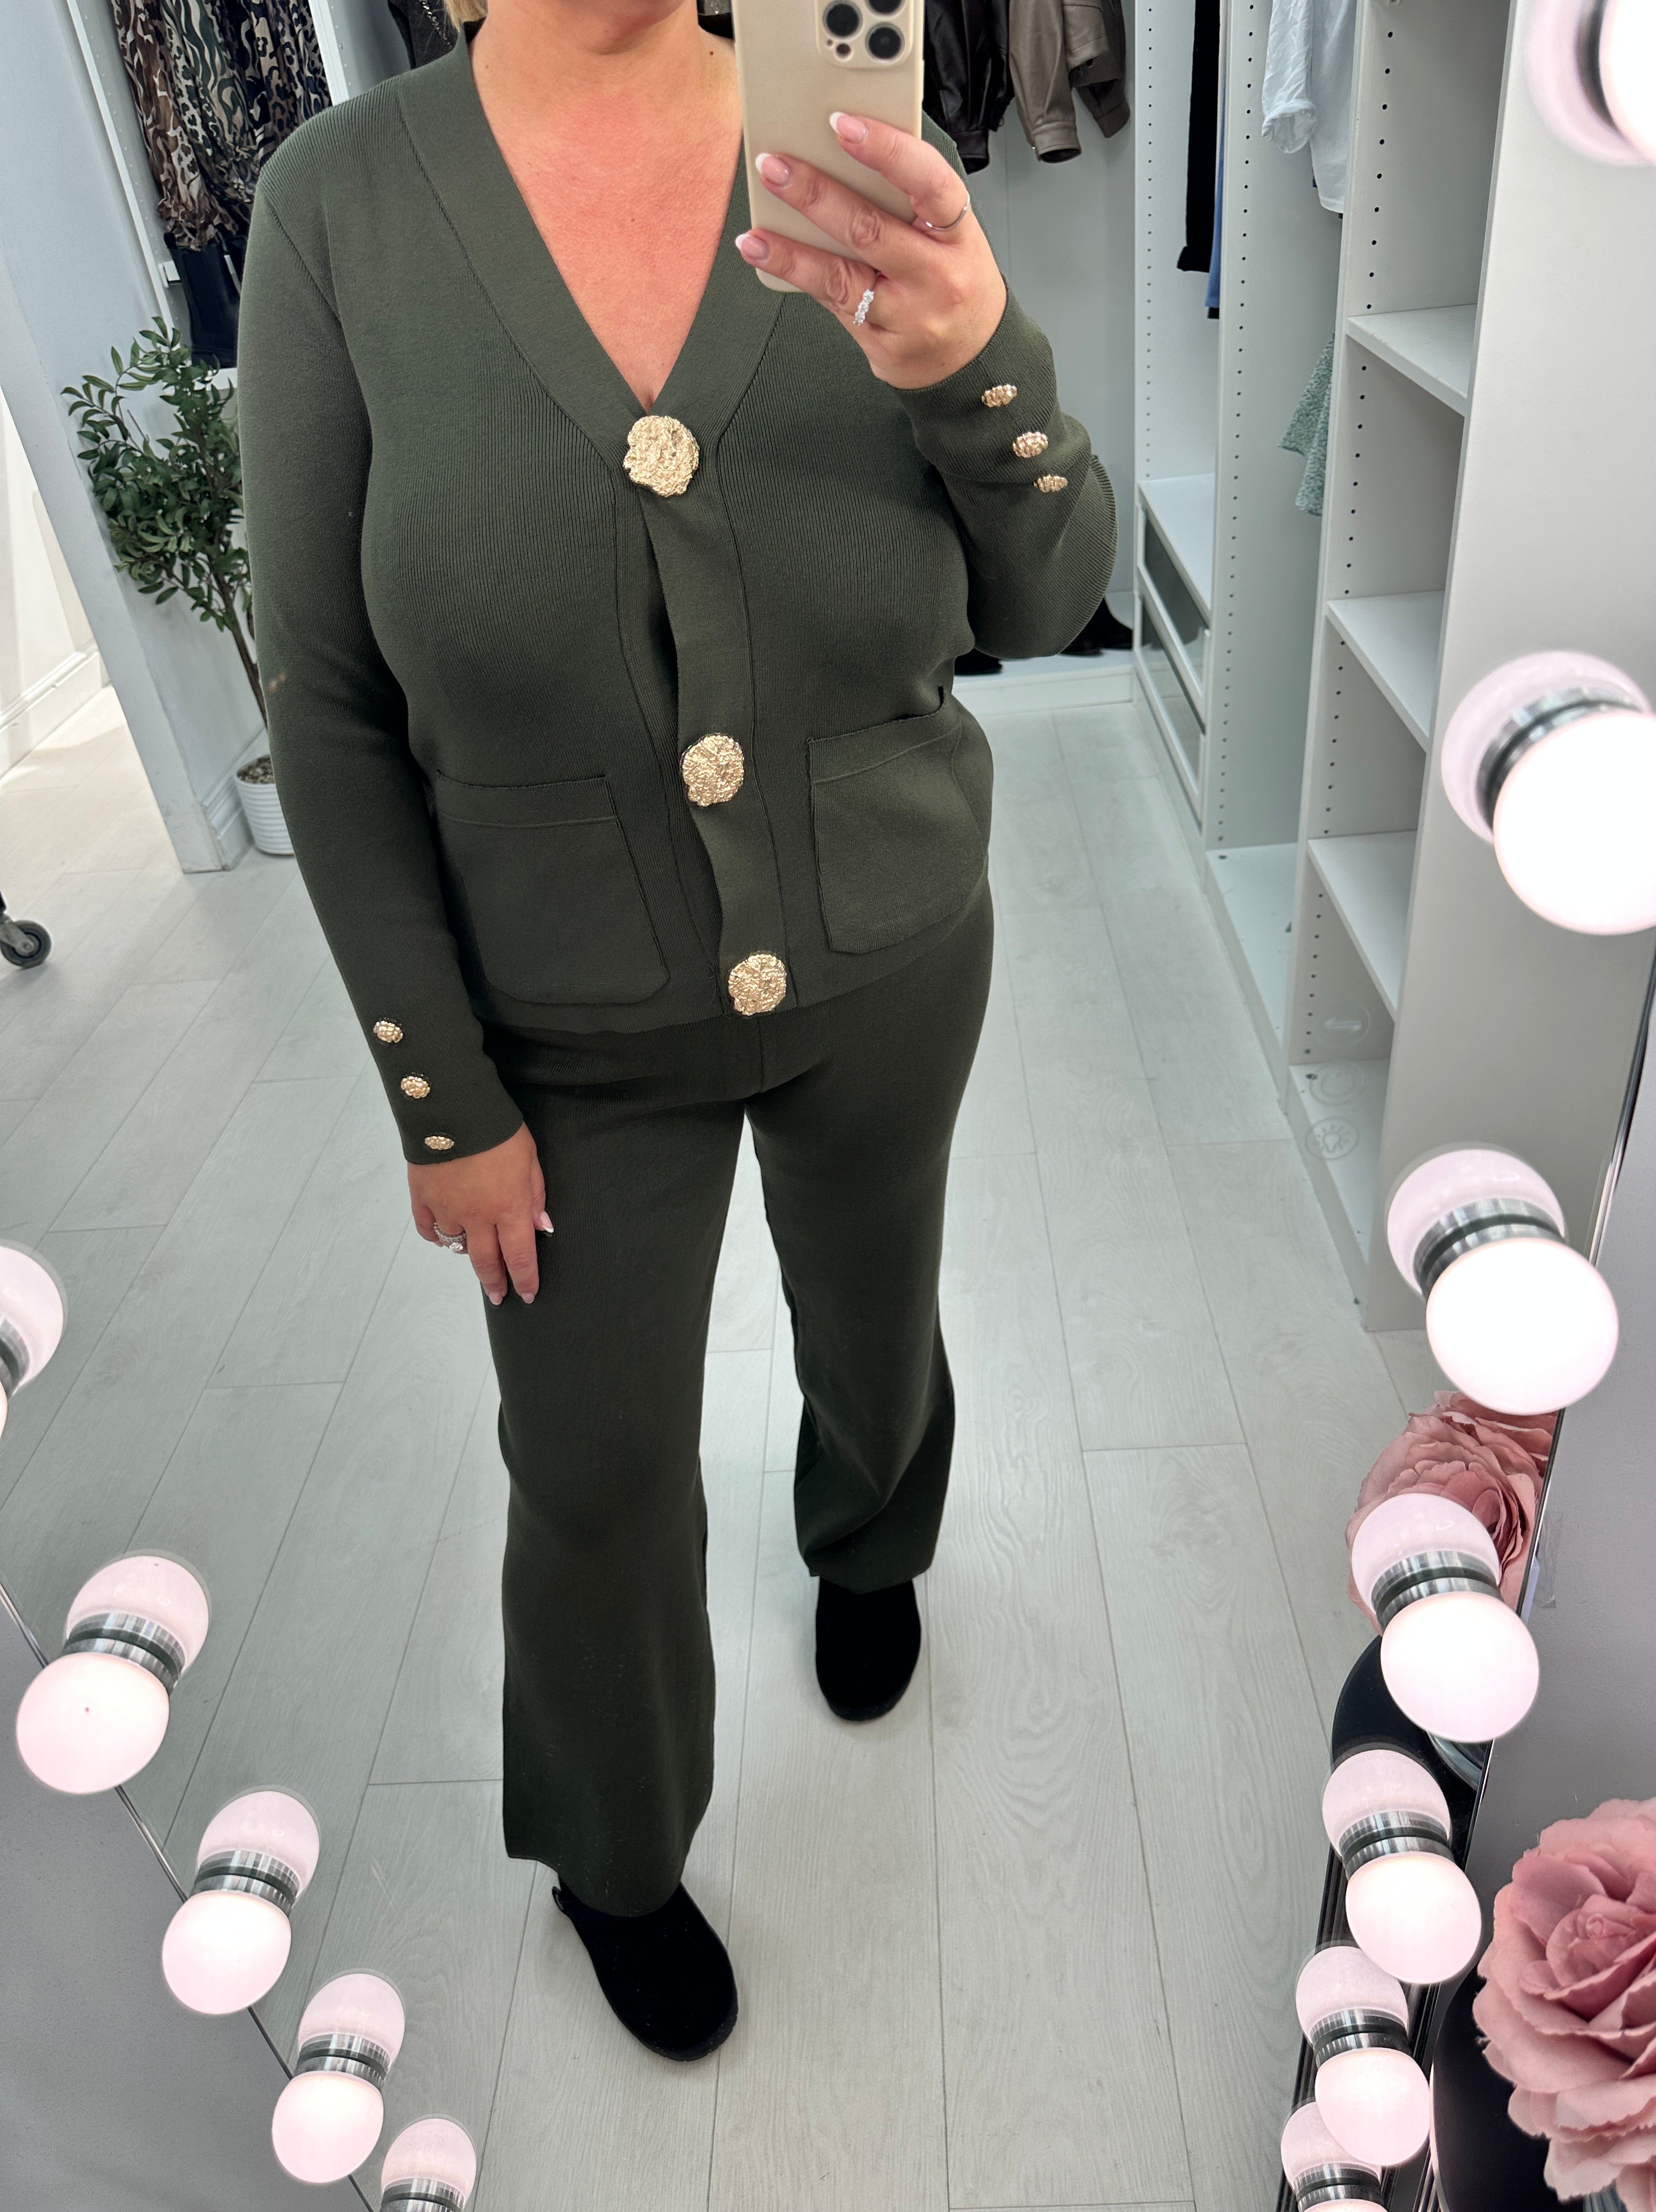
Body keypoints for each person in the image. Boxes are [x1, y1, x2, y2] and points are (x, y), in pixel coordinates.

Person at [237, 0, 1114, 2062]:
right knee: (596, 1468)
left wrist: (974, 358)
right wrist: (438, 1094)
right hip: (552, 1020)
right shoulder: (338, 208)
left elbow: (1053, 598)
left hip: (888, 943)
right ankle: (616, 1853)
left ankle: (873, 1535)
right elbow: (329, 701)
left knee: (876, 1307)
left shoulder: (851, 148)